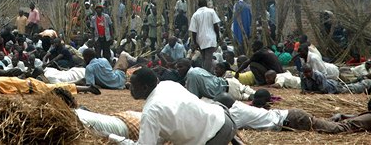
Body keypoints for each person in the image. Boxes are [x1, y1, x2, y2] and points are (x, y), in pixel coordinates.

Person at [109, 67, 237, 144]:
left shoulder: (151, 111)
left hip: (214, 138)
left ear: (144, 87)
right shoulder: (168, 84)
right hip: (226, 119)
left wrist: (116, 139)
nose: (129, 88)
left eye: (132, 85)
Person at [215, 90, 371, 133]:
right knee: (324, 125)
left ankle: (364, 120)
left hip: (294, 119)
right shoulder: (238, 107)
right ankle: (341, 116)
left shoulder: (235, 113)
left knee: (340, 129)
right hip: (292, 117)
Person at [0, 75, 100, 95]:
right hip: (31, 83)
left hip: (33, 87)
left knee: (57, 89)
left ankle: (87, 88)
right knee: (55, 86)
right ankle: (79, 84)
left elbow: (10, 92)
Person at [188, 0, 221, 73]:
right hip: (211, 38)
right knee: (208, 57)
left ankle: (206, 72)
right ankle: (206, 73)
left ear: (198, 5)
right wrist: (218, 36)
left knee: (204, 58)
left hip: (200, 39)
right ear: (206, 4)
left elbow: (194, 31)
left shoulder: (195, 15)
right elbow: (215, 25)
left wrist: (195, 42)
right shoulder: (211, 11)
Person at [301, 64, 371, 94]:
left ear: (312, 70)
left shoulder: (318, 75)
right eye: (306, 72)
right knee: (347, 84)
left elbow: (323, 91)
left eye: (309, 71)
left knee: (352, 89)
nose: (308, 74)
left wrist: (310, 92)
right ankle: (361, 80)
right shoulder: (303, 76)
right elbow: (304, 89)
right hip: (329, 83)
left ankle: (366, 82)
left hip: (334, 88)